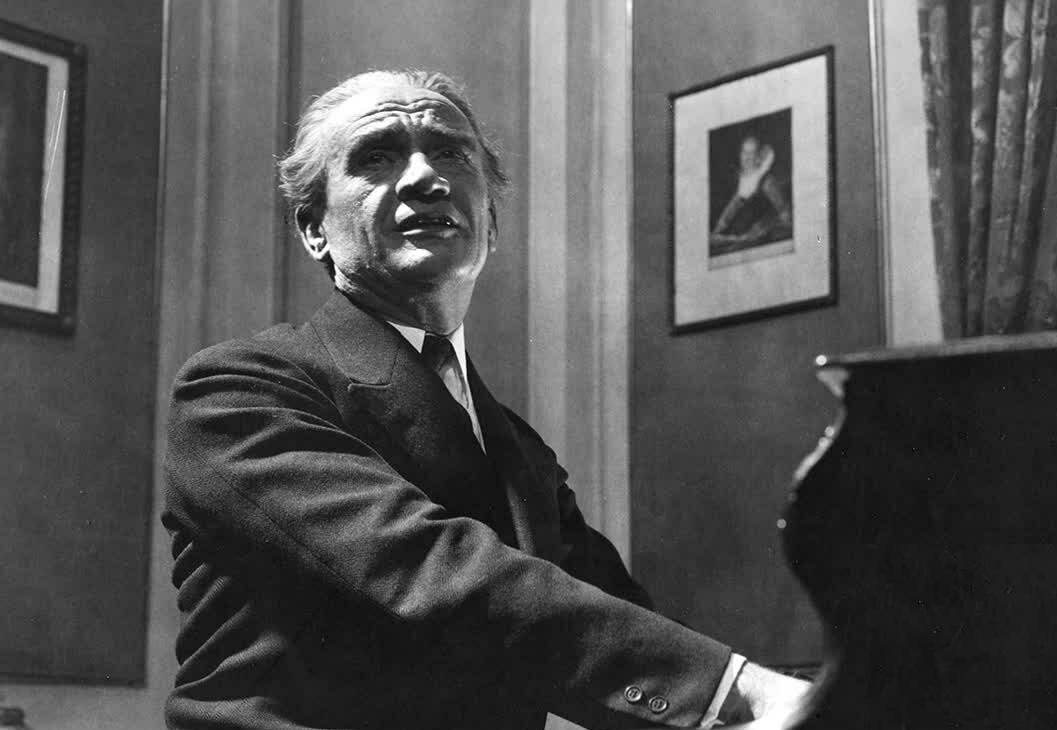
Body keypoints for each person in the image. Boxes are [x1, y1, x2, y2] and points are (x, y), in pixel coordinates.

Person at [162, 69, 809, 729]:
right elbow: (435, 572)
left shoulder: (517, 447)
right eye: (377, 157)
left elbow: (614, 620)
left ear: (490, 225)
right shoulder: (238, 391)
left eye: (450, 152)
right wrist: (739, 695)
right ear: (314, 230)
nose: (425, 177)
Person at [709, 135, 792, 255]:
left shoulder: (767, 182)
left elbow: (785, 216)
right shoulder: (742, 180)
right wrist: (717, 232)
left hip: (758, 243)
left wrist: (758, 232)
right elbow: (731, 211)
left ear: (758, 157)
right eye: (744, 152)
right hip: (736, 240)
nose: (747, 158)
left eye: (751, 153)